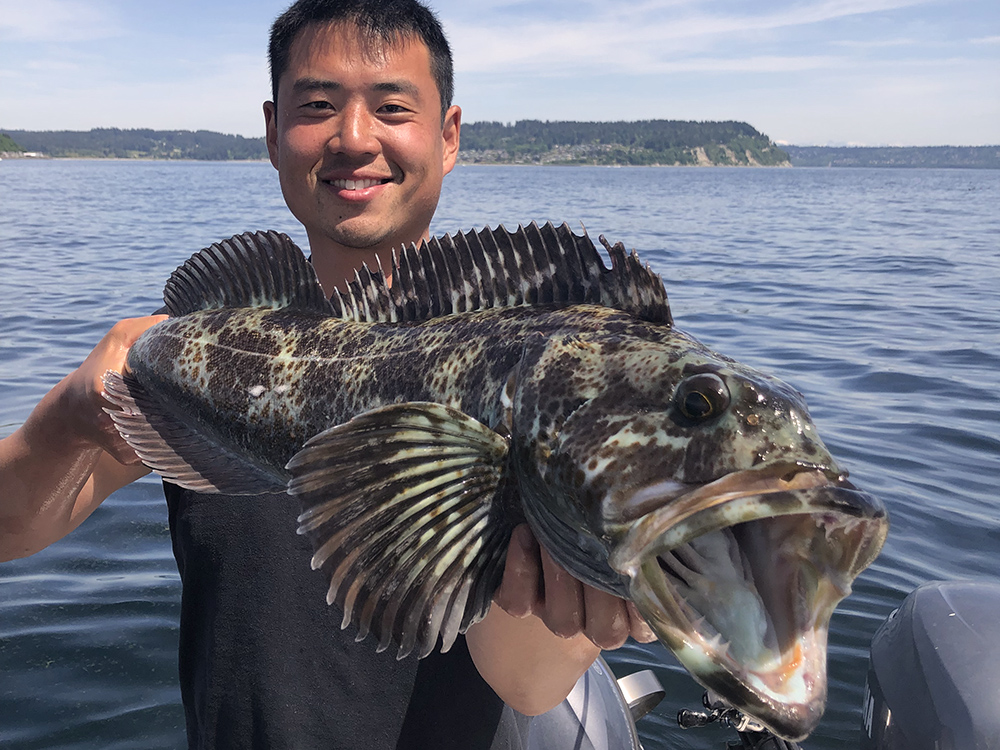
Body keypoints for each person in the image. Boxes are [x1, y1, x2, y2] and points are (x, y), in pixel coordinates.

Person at [0, 1, 654, 747]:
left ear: (448, 136)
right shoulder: (205, 355)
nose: (354, 138)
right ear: (273, 132)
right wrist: (67, 419)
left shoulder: (544, 380)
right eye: (317, 106)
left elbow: (527, 684)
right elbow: (10, 528)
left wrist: (576, 574)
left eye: (392, 107)